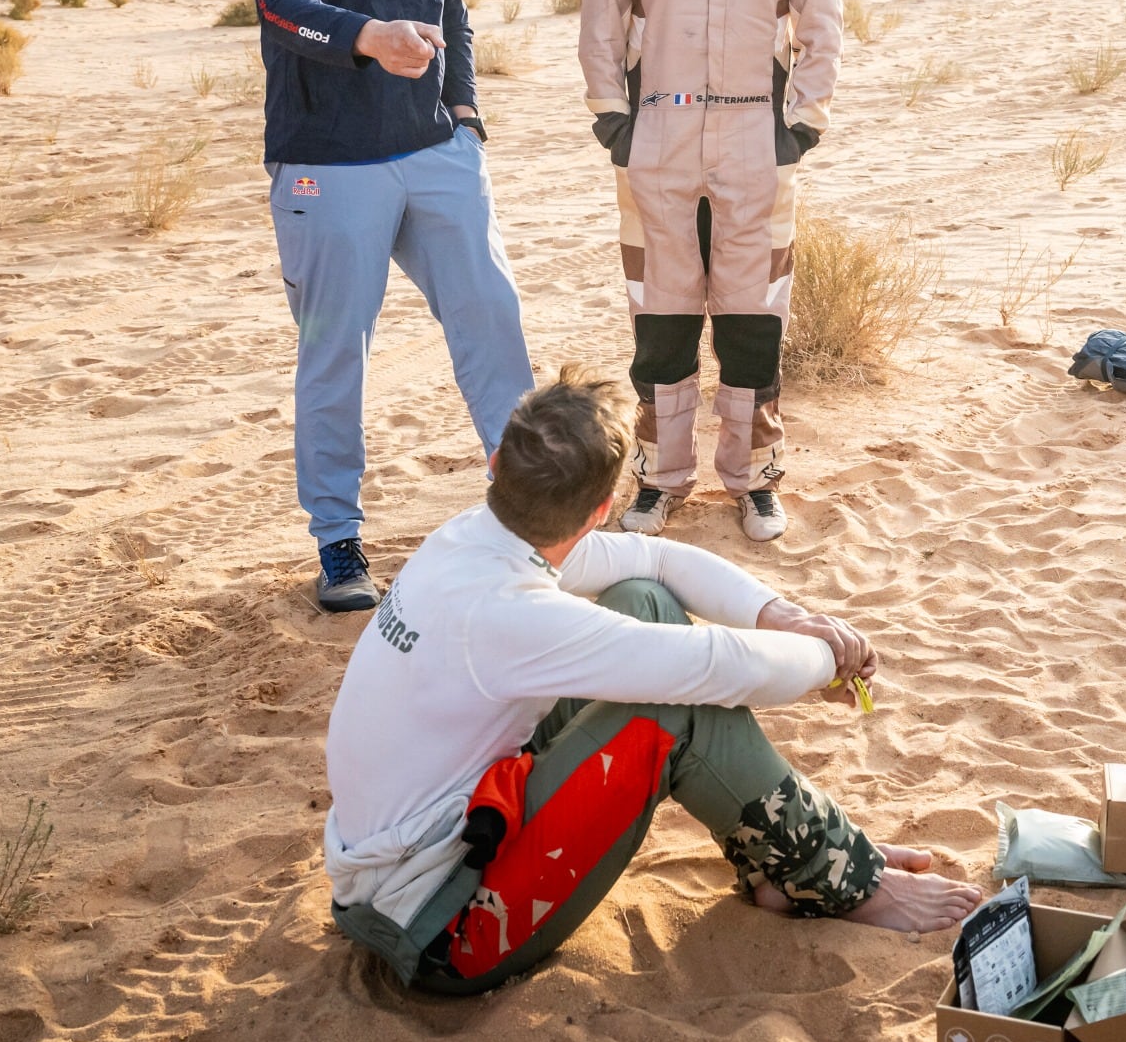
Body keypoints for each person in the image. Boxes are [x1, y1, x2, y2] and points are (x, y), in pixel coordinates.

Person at [321, 371, 979, 992]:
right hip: (441, 933)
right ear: (602, 508)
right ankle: (837, 875)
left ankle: (782, 866)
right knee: (678, 710)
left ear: (497, 468)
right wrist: (825, 665)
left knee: (641, 598)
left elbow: (653, 560)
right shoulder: (508, 614)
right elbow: (715, 670)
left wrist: (784, 616)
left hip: (419, 863)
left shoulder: (469, 539)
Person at [250, 0, 532, 612]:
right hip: (329, 164)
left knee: (492, 321)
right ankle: (338, 542)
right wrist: (366, 39)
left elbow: (452, 5)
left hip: (435, 150)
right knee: (337, 352)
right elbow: (278, 2)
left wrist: (466, 111)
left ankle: (532, 513)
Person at [578, 0, 844, 543]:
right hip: (655, 143)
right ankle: (660, 481)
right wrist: (612, 120)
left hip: (753, 146)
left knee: (751, 321)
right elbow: (600, 22)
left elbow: (822, 27)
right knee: (659, 324)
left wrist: (800, 125)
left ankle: (754, 479)